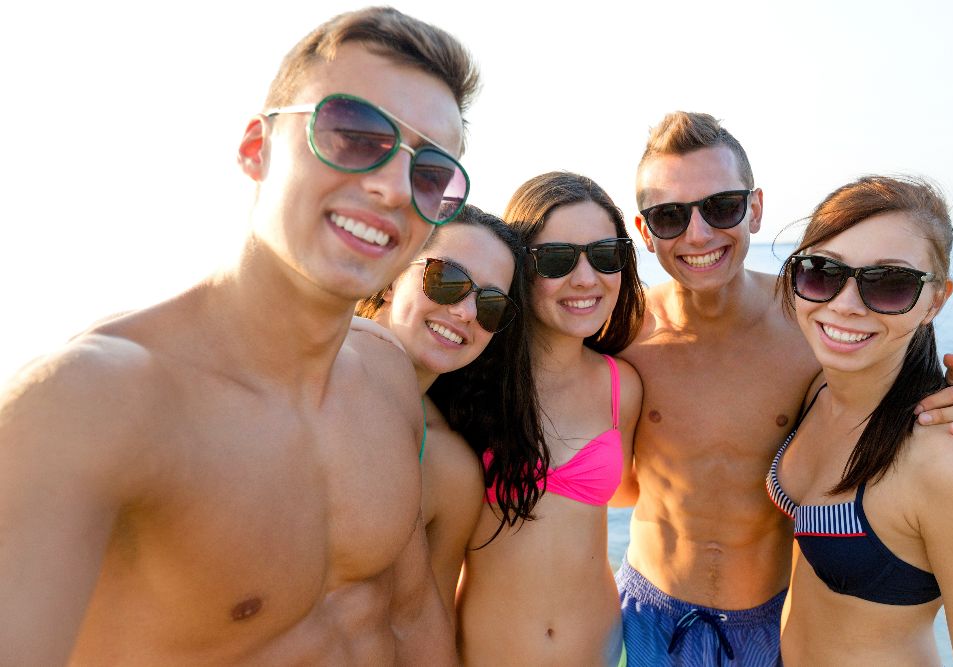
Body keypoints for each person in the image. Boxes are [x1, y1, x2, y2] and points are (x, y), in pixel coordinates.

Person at [0, 7, 477, 664]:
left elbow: (412, 614)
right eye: (353, 133)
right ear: (257, 148)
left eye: (430, 173)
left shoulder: (386, 374)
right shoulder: (91, 402)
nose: (393, 187)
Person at [615, 111, 953, 665]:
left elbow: (897, 389)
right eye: (670, 216)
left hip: (773, 618)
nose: (698, 233)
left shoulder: (814, 322)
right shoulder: (621, 330)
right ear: (644, 231)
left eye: (721, 206)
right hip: (648, 610)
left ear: (755, 208)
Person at [769, 175, 953, 664]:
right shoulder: (818, 391)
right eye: (821, 272)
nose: (845, 304)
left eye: (890, 283)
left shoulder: (951, 457)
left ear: (936, 300)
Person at [458, 172, 645, 666]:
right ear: (520, 266)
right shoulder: (470, 381)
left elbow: (629, 491)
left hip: (600, 650)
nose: (585, 278)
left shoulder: (622, 386)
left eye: (605, 256)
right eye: (558, 259)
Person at [355, 204, 544, 625]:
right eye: (446, 280)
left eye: (492, 304)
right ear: (391, 277)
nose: (467, 312)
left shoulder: (452, 469)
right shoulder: (296, 377)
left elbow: (424, 623)